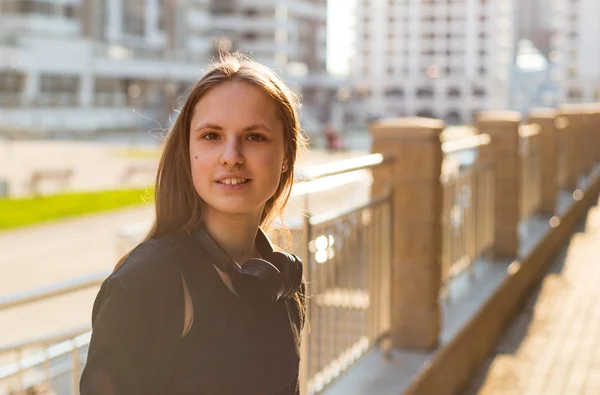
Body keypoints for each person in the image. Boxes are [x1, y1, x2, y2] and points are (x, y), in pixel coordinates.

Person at [80, 53, 307, 395]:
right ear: (187, 151)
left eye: (255, 136)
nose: (231, 156)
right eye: (212, 136)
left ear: (286, 155)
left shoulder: (281, 281)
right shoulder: (147, 281)